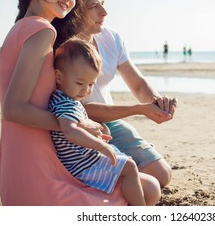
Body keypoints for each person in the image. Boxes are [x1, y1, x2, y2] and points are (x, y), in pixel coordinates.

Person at [0, 0, 128, 206]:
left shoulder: (19, 28)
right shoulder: (42, 31)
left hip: (16, 159)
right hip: (35, 164)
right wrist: (76, 125)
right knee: (138, 193)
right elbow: (12, 108)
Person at [54, 0, 177, 189]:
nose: (104, 12)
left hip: (111, 120)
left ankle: (126, 178)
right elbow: (79, 109)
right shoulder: (62, 49)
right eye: (94, 6)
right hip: (81, 126)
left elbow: (137, 83)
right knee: (145, 183)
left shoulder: (111, 38)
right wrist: (139, 109)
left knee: (162, 175)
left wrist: (157, 103)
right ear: (75, 10)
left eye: (103, 4)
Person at [50, 39, 155, 205]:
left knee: (126, 163)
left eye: (91, 84)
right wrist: (100, 146)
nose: (85, 90)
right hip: (83, 165)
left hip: (85, 159)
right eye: (79, 83)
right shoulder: (65, 104)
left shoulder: (66, 98)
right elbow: (70, 131)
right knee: (129, 167)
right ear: (59, 76)